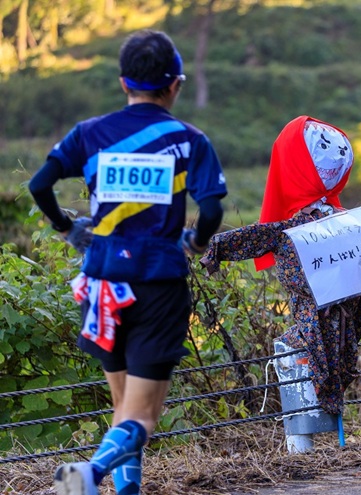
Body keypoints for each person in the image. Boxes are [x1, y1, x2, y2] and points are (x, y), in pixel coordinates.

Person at [28, 30, 227, 494]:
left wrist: (66, 227)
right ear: (175, 84)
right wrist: (195, 242)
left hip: (100, 283)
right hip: (157, 284)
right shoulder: (188, 140)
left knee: (123, 405)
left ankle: (126, 491)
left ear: (123, 83)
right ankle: (88, 475)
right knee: (144, 415)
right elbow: (213, 210)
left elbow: (40, 184)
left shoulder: (90, 134)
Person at [200, 115, 361, 417]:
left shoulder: (291, 232)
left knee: (295, 354)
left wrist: (215, 251)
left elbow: (256, 236)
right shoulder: (354, 223)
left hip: (314, 329)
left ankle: (307, 436)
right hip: (349, 326)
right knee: (334, 359)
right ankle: (318, 424)